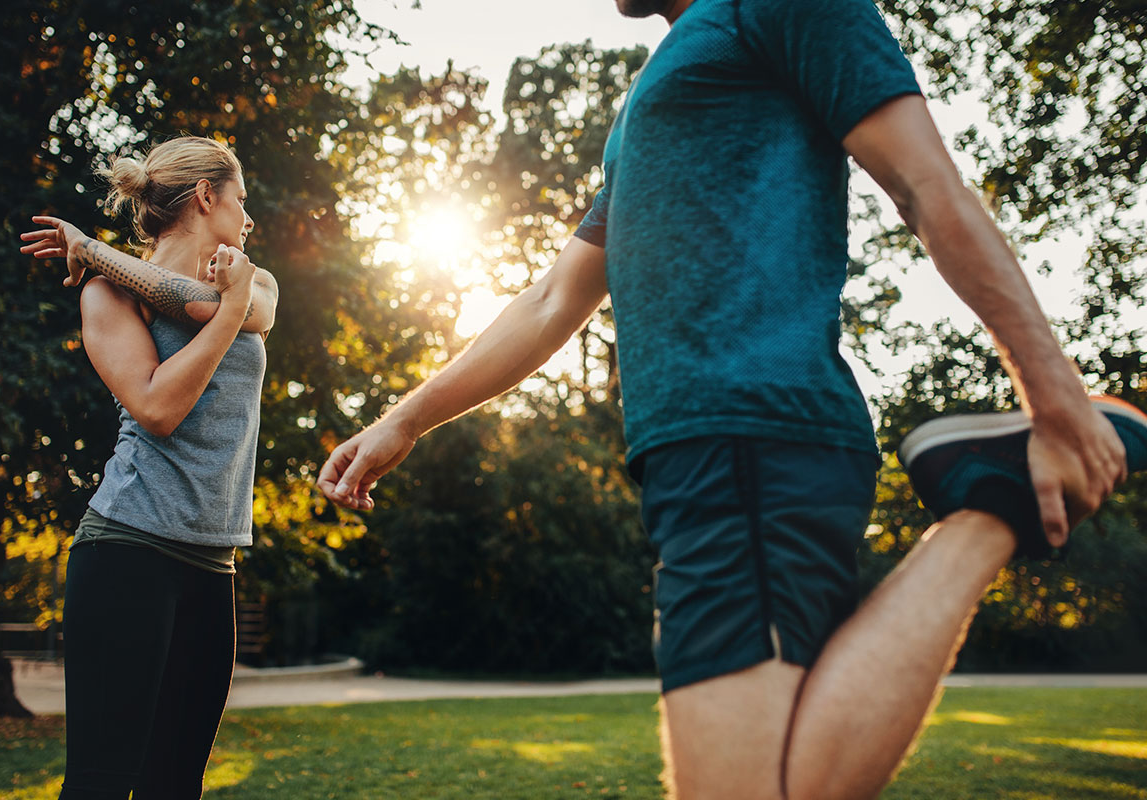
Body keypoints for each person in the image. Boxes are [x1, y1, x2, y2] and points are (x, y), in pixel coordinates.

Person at [316, 1, 1147, 799]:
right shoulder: (660, 91)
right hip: (698, 456)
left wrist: (1053, 391)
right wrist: (405, 419)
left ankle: (989, 508)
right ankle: (988, 499)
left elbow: (925, 185)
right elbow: (551, 300)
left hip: (753, 434)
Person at [19, 136, 277, 799]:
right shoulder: (107, 296)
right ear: (205, 196)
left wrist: (95, 248)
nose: (249, 219)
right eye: (240, 200)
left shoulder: (255, 282)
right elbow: (158, 407)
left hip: (211, 562)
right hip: (129, 548)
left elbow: (241, 309)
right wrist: (104, 264)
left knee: (175, 785)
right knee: (102, 782)